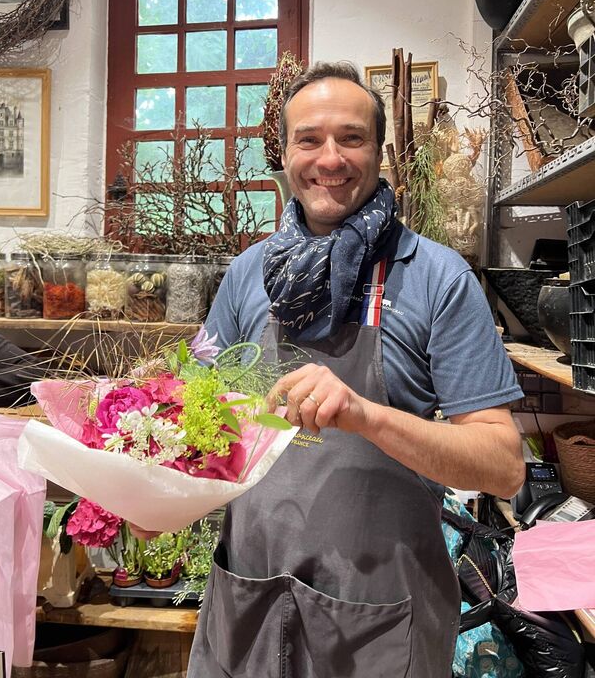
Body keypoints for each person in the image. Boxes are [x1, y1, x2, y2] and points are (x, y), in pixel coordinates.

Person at [187, 62, 525, 678]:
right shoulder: (246, 274)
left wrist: (366, 416)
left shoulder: (438, 278)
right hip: (250, 598)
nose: (330, 158)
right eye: (309, 139)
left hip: (380, 618)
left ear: (380, 152)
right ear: (284, 154)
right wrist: (146, 479)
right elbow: (195, 417)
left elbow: (502, 467)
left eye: (352, 138)